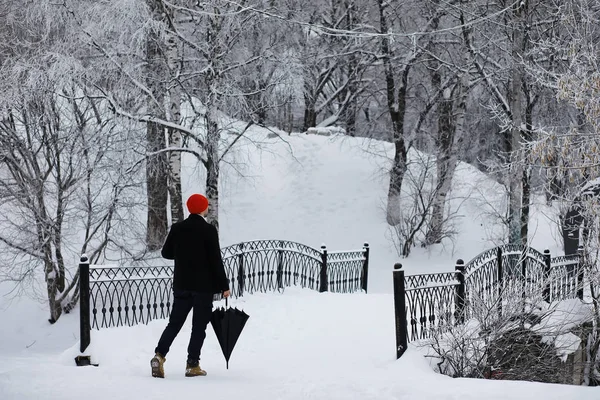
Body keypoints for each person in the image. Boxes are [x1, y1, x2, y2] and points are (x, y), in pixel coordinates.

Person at [151, 193, 231, 378]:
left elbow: (166, 253)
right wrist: (224, 286)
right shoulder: (209, 230)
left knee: (174, 323)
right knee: (198, 327)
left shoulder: (178, 229)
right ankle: (192, 365)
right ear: (203, 208)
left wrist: (183, 255)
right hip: (203, 288)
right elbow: (215, 261)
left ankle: (159, 356)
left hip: (181, 285)